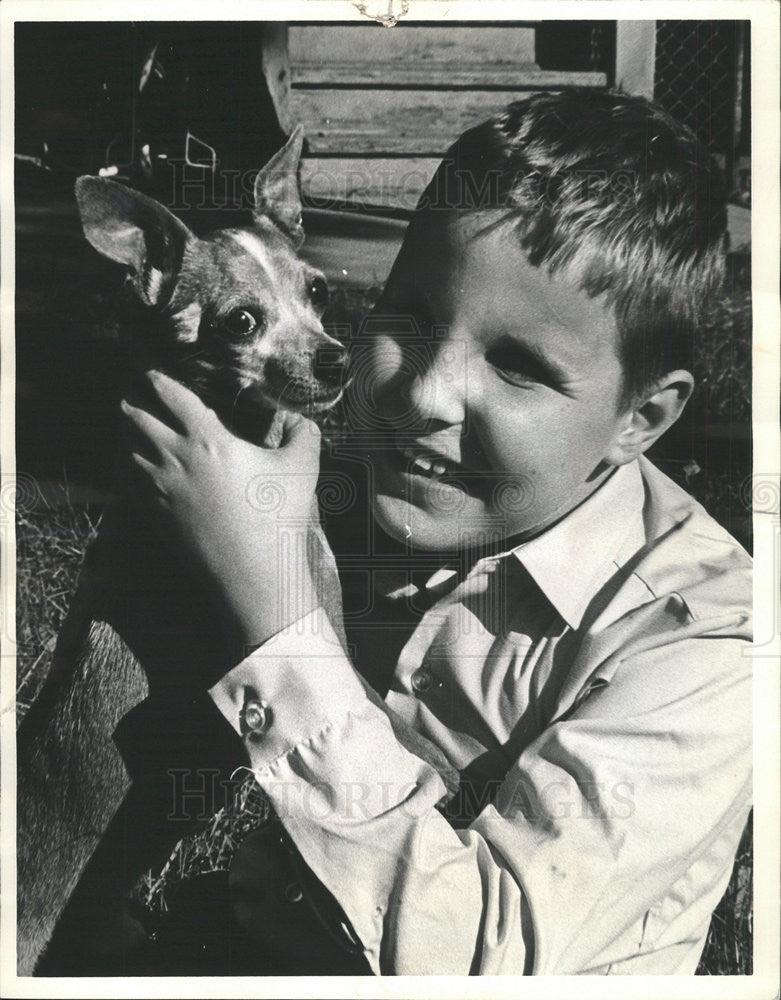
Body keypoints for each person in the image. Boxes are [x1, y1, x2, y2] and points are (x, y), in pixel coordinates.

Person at [122, 90, 752, 975]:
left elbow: (475, 959)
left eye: (518, 366)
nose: (422, 397)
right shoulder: (385, 496)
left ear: (638, 421)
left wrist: (276, 611)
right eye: (409, 319)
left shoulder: (708, 648)